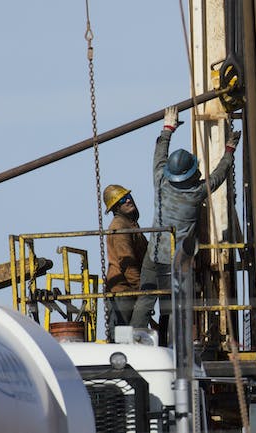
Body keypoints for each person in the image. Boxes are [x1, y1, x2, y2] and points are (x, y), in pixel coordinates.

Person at [132, 105, 241, 344]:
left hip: (154, 252)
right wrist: (230, 150)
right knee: (171, 306)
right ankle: (169, 343)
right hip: (176, 259)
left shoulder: (160, 181)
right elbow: (219, 175)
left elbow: (159, 153)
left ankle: (133, 339)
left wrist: (168, 127)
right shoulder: (196, 192)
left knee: (146, 297)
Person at [103, 184, 148, 334]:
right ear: (115, 207)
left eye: (128, 197)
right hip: (122, 291)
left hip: (130, 289)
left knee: (135, 336)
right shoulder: (120, 227)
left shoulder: (131, 224)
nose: (128, 201)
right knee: (123, 340)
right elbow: (127, 262)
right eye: (122, 200)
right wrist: (142, 291)